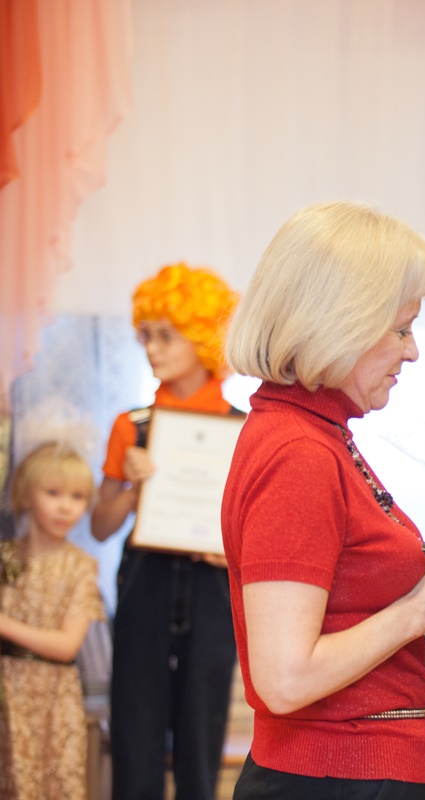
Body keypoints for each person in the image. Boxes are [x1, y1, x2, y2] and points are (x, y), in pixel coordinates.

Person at [220, 200, 425, 799]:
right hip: (339, 775)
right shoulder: (299, 452)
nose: (412, 351)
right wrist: (420, 613)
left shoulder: (317, 433)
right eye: (401, 328)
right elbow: (285, 679)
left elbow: (363, 582)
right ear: (338, 323)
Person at [91, 262, 242, 800]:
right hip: (145, 584)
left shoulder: (244, 429)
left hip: (212, 588)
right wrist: (133, 489)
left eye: (165, 335)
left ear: (201, 337)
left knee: (202, 733)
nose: (152, 349)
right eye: (146, 336)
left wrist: (231, 554)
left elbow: (255, 532)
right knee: (136, 729)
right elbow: (100, 526)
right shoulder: (131, 426)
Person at [0, 441, 107, 799]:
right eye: (53, 493)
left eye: (77, 497)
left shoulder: (81, 566)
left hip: (53, 700)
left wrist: (5, 625)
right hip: (6, 695)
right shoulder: (5, 556)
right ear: (25, 495)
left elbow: (66, 645)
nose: (65, 507)